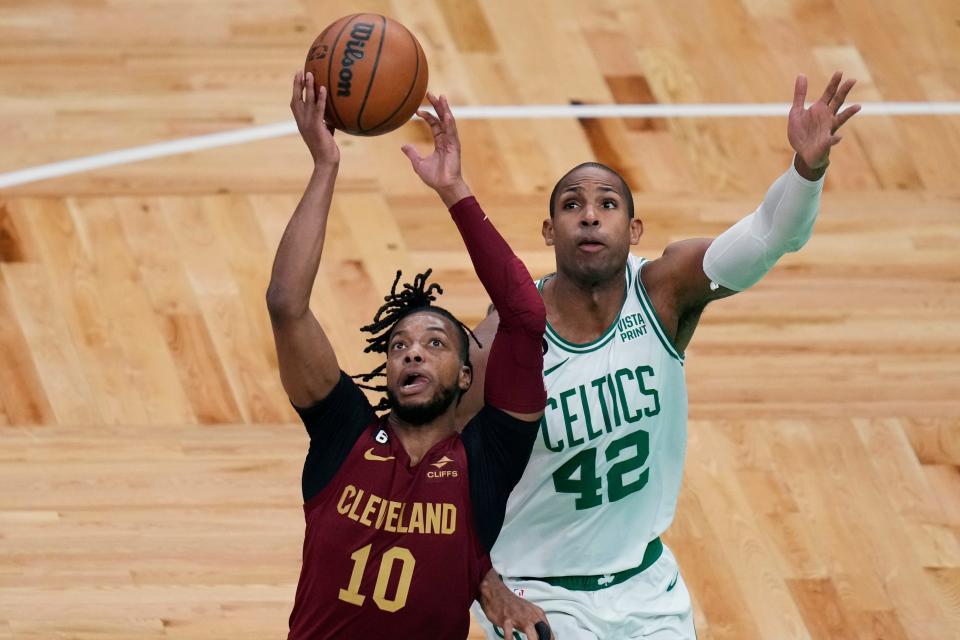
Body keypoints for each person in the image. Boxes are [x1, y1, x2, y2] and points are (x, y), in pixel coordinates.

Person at [466, 72, 861, 639]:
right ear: (550, 231)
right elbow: (436, 462)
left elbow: (771, 234)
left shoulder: (664, 291)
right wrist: (487, 585)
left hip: (647, 584)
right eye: (573, 205)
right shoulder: (510, 333)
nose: (591, 215)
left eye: (607, 203)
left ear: (634, 228)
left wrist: (806, 170)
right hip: (536, 588)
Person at [268, 71, 549, 639]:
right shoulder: (342, 434)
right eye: (399, 347)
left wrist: (454, 191)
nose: (412, 354)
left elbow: (524, 317)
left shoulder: (488, 461)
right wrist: (325, 166)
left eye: (434, 343)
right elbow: (286, 304)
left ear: (468, 376)